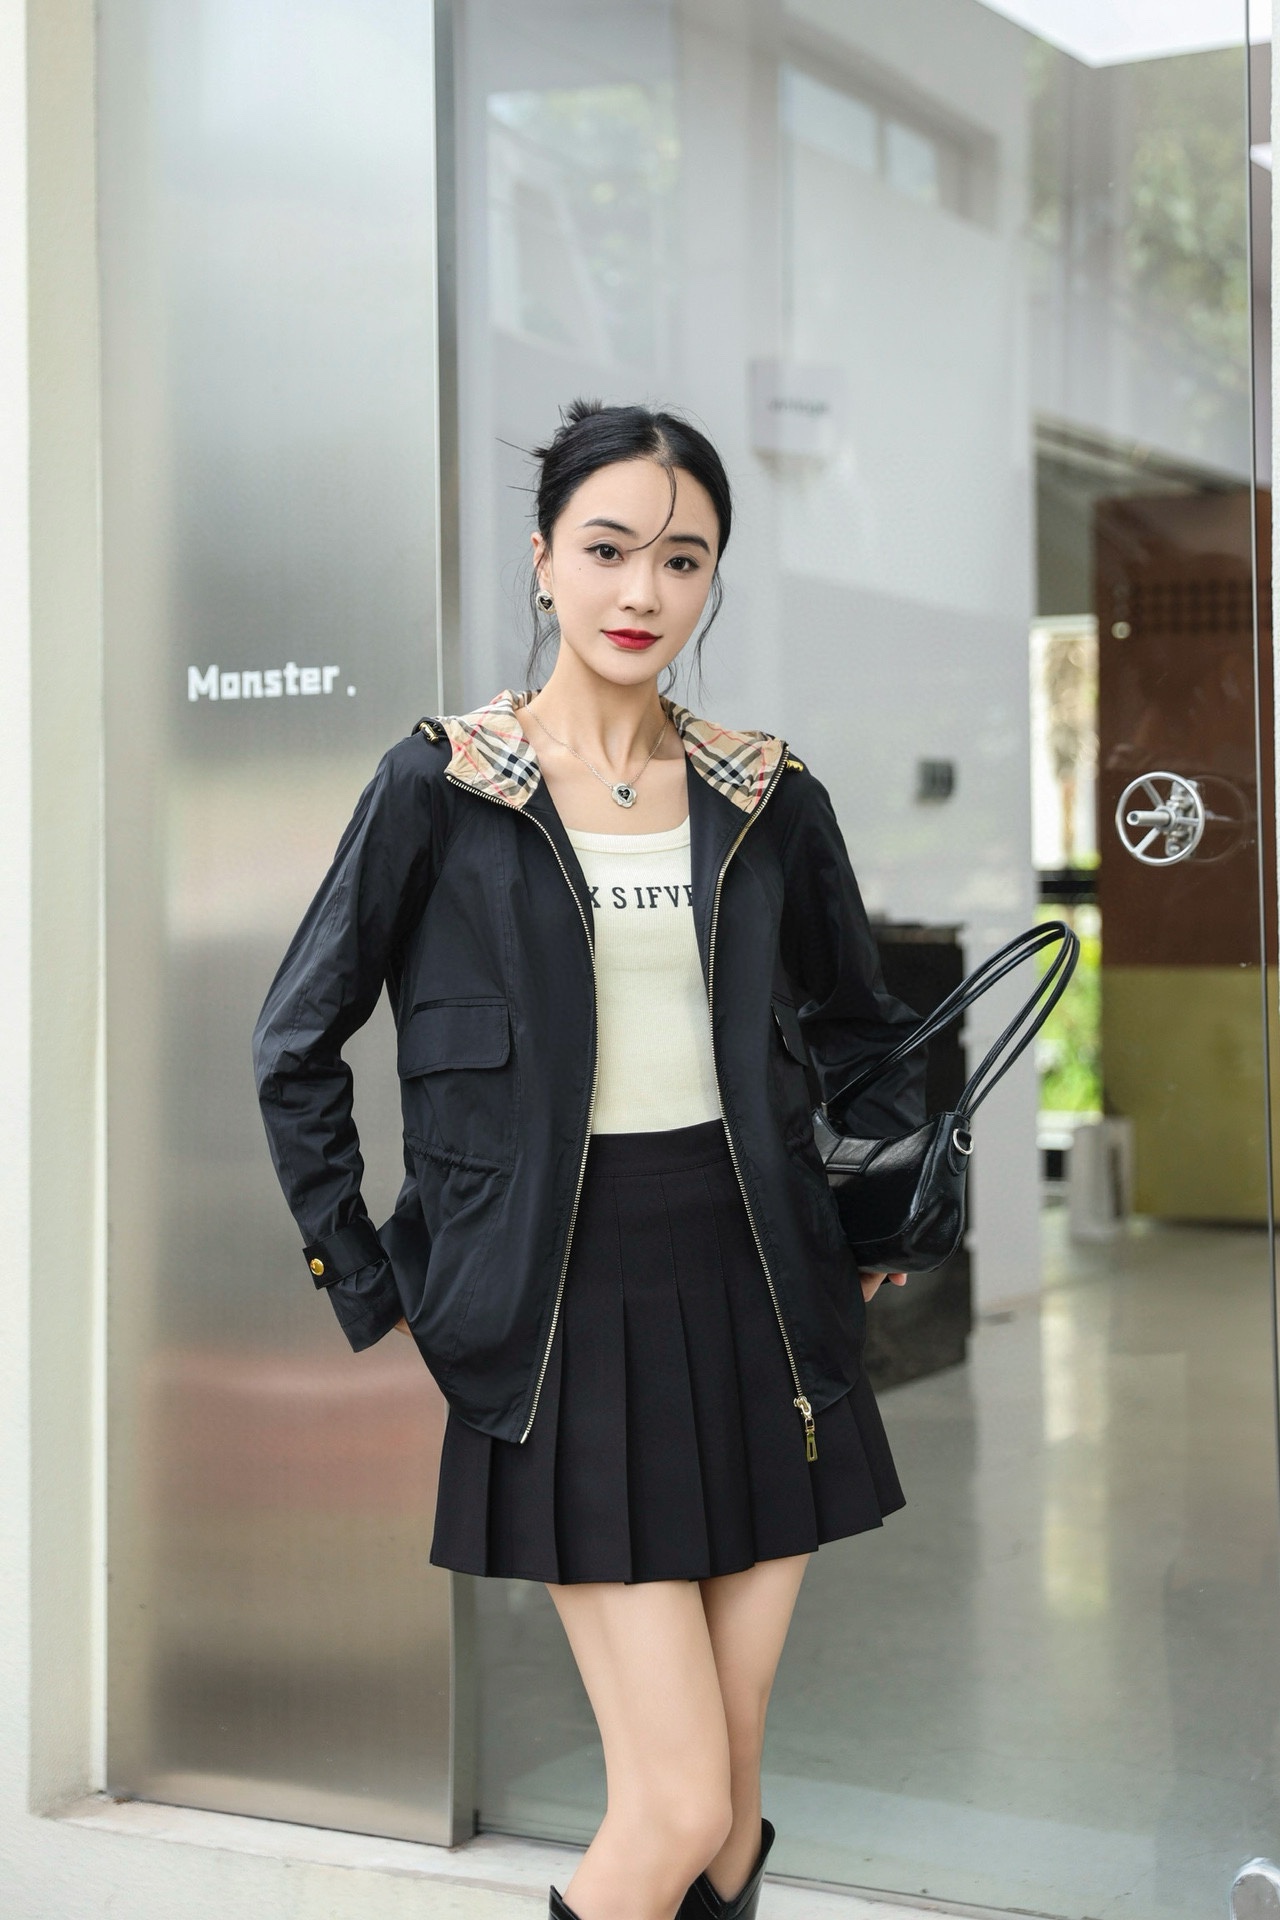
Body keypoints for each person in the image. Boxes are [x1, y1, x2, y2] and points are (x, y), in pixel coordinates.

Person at [252, 399, 925, 1920]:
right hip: (561, 1304)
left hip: (764, 1292)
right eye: (608, 549)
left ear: (712, 582)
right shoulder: (445, 786)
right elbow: (293, 1041)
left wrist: (882, 1216)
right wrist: (371, 1276)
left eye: (683, 561)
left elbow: (866, 1029)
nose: (643, 592)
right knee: (676, 1803)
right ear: (544, 558)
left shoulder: (767, 794)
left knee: (729, 1822)